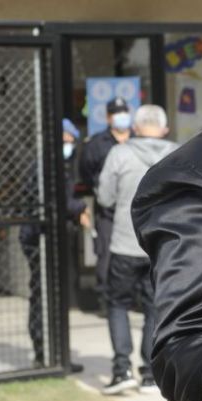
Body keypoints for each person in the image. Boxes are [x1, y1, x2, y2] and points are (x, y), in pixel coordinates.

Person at [95, 105, 178, 395]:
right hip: (161, 245)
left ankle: (122, 370)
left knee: (117, 304)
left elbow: (105, 197)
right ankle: (150, 374)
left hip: (125, 243)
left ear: (135, 127)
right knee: (155, 307)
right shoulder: (177, 154)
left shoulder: (119, 153)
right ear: (164, 129)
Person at [19, 119, 89, 369]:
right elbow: (56, 199)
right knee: (43, 293)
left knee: (54, 293)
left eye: (72, 140)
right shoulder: (48, 165)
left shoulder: (57, 163)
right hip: (39, 237)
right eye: (67, 139)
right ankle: (44, 352)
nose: (70, 144)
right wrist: (80, 207)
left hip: (50, 235)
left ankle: (56, 353)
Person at [79, 97, 133, 296]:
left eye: (124, 112)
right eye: (116, 113)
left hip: (136, 207)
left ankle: (135, 296)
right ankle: (107, 297)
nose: (121, 117)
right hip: (108, 210)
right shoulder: (96, 144)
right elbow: (86, 171)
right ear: (109, 118)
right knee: (106, 252)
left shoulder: (138, 140)